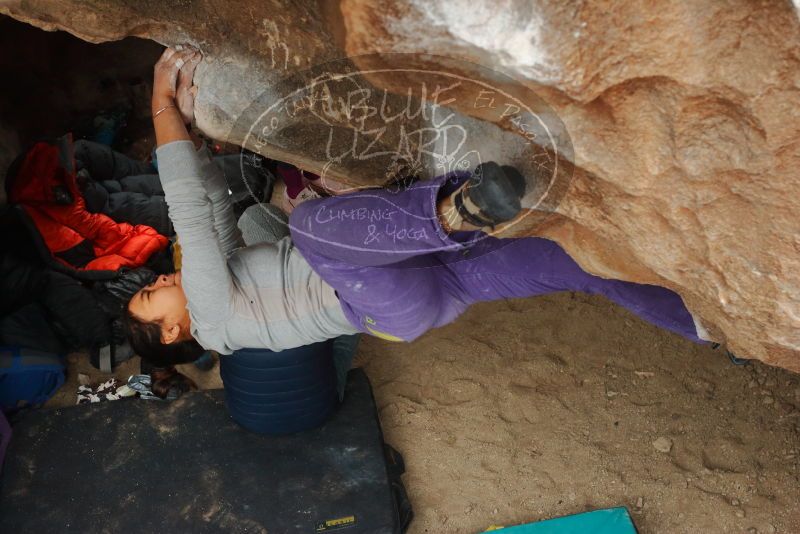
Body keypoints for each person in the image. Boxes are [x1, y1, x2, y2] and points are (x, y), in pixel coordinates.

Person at [124, 46, 707, 373]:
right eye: (153, 296)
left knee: (577, 262)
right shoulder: (214, 317)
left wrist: (193, 138)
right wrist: (159, 105)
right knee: (309, 226)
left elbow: (214, 211)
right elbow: (192, 222)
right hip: (380, 300)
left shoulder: (224, 301)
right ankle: (452, 215)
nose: (160, 278)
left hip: (423, 297)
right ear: (176, 330)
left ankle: (708, 325)